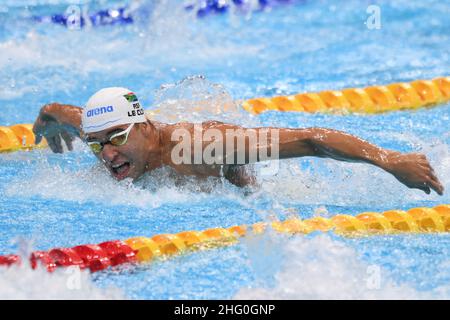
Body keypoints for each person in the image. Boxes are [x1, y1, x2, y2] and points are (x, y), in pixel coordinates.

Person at [32, 87, 444, 195]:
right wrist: (47, 119)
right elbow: (62, 114)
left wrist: (389, 160)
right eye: (96, 144)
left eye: (116, 138)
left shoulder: (198, 147)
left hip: (232, 184)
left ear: (144, 126)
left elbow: (310, 139)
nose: (106, 154)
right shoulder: (103, 133)